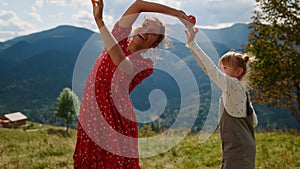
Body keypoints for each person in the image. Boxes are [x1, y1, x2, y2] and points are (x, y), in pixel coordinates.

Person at [73, 0, 192, 168]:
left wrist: (100, 21)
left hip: (114, 115)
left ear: (154, 44)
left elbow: (120, 61)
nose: (146, 31)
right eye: (145, 25)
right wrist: (178, 13)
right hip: (91, 108)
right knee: (88, 158)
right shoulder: (119, 36)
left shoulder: (145, 65)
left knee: (113, 163)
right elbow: (138, 4)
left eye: (153, 33)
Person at [185, 27, 258, 169]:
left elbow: (210, 70)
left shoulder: (232, 85)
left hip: (237, 151)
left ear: (238, 71)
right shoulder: (241, 90)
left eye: (225, 68)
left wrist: (193, 44)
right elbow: (253, 122)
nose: (221, 72)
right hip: (242, 148)